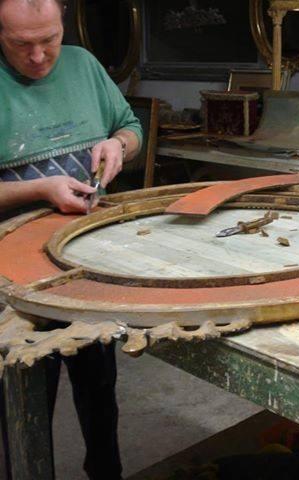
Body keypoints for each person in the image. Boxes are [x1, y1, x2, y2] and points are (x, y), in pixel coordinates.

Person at [0, 0, 143, 478]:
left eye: (50, 40)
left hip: (86, 264)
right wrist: (40, 189)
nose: (39, 56)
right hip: (12, 279)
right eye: (21, 44)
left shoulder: (83, 65)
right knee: (24, 401)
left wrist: (117, 145)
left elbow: (131, 127)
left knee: (99, 388)